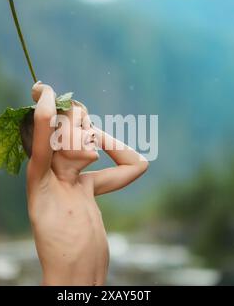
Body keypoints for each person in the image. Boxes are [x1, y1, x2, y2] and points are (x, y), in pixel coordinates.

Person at [20, 81, 149, 285]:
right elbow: (44, 117)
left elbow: (138, 164)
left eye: (92, 126)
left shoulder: (87, 184)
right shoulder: (43, 184)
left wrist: (91, 130)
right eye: (81, 126)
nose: (92, 132)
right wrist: (45, 92)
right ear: (54, 139)